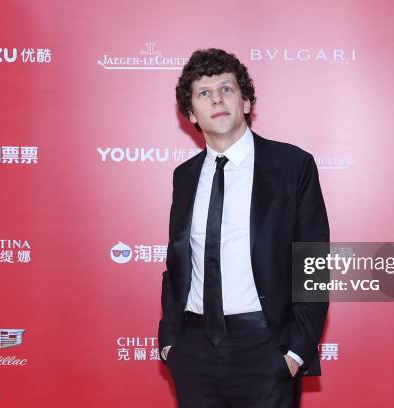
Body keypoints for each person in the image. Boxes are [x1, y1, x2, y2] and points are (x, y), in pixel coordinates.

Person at [158, 48, 329, 407]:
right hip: (194, 349)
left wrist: (295, 351)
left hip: (266, 347)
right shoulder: (184, 176)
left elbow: (313, 263)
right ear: (191, 113)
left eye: (227, 89)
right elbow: (177, 264)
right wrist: (171, 341)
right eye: (204, 93)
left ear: (247, 102)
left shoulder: (292, 166)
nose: (216, 99)